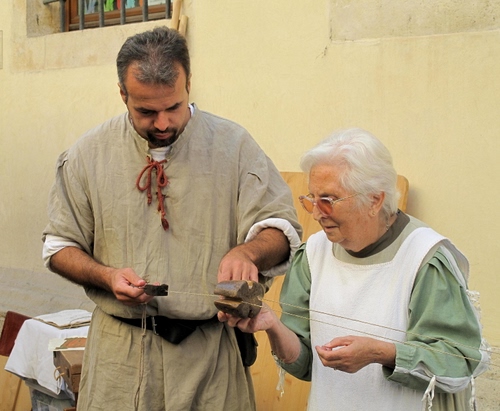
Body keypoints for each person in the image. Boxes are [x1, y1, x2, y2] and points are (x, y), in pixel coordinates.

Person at [42, 26, 301, 411]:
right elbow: (59, 246)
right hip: (119, 360)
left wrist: (248, 253)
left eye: (173, 107)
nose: (162, 123)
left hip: (210, 360)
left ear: (188, 84)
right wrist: (107, 276)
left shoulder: (234, 147)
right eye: (146, 111)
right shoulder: (87, 154)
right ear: (123, 94)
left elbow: (281, 228)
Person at [219, 128, 490, 411]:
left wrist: (380, 353)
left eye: (328, 201)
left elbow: (459, 363)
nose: (316, 213)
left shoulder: (424, 257)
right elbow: (306, 362)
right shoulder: (313, 254)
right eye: (312, 199)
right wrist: (273, 326)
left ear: (375, 200)